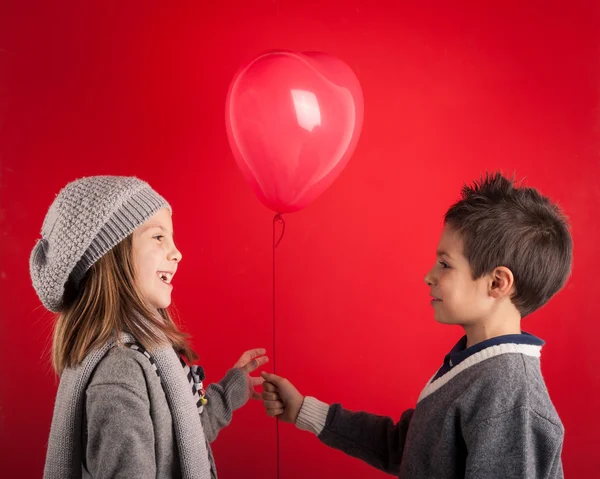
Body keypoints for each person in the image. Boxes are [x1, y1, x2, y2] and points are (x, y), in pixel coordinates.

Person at [262, 172, 572, 478]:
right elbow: (407, 449)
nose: (429, 276)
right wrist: (303, 409)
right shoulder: (472, 364)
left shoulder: (510, 396)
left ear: (497, 282)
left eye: (445, 264)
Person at [31, 175, 267, 478]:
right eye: (158, 237)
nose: (176, 253)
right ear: (111, 255)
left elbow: (181, 442)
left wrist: (231, 391)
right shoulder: (120, 374)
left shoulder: (146, 356)